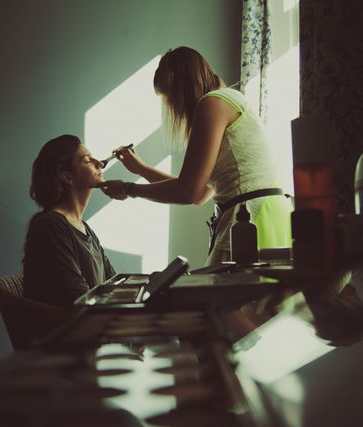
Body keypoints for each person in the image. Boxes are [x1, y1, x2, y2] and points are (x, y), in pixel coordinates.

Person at [100, 46, 292, 265]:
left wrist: (128, 189)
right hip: (271, 215)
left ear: (181, 88)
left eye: (169, 97)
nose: (172, 107)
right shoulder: (231, 101)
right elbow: (200, 193)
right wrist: (141, 169)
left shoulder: (213, 103)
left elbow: (188, 192)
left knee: (230, 297)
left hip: (249, 220)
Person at [23, 134, 116, 307]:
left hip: (94, 326)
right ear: (67, 177)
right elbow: (79, 299)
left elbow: (113, 284)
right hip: (69, 331)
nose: (100, 163)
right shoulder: (51, 225)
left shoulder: (84, 228)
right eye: (87, 160)